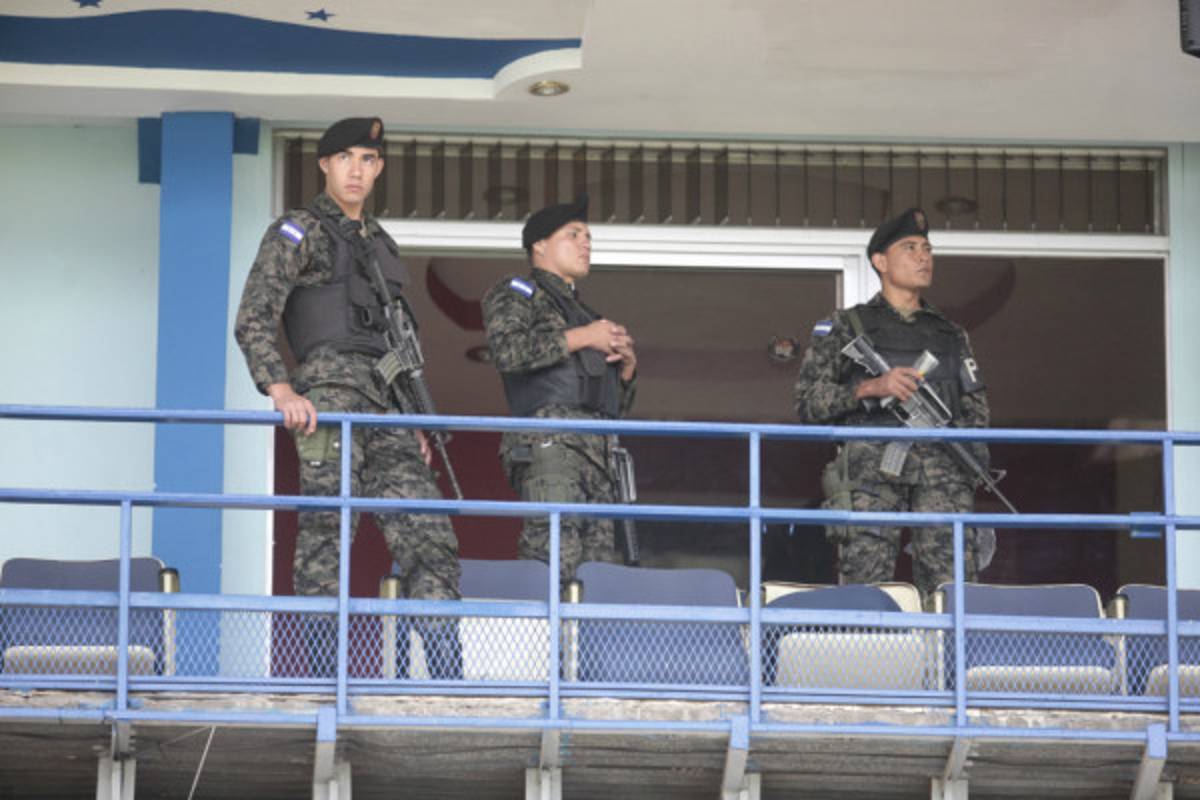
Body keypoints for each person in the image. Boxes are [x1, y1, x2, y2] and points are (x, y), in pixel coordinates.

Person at [235, 117, 461, 677]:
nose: (357, 169)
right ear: (325, 165)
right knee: (327, 535)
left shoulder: (380, 243)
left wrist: (411, 419)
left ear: (379, 167)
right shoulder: (299, 230)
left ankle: (448, 677)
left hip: (386, 406)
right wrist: (280, 387)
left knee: (429, 534)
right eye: (346, 158)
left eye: (368, 159)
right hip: (329, 400)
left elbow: (395, 342)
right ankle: (321, 681)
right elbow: (254, 315)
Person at [793, 208, 994, 601]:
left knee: (952, 595)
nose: (924, 257)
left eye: (927, 248)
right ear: (880, 262)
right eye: (910, 248)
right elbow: (806, 404)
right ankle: (867, 665)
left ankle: (946, 665)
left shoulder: (950, 334)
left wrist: (965, 458)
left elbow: (977, 413)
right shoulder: (845, 327)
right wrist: (870, 388)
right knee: (865, 594)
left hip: (942, 477)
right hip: (872, 477)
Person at [481, 194, 638, 584]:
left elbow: (611, 406)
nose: (586, 243)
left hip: (598, 457)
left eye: (588, 236)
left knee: (598, 573)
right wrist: (585, 337)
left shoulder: (586, 313)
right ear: (540, 245)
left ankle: (583, 649)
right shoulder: (518, 292)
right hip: (551, 446)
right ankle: (544, 646)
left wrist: (627, 371)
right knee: (553, 558)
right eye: (573, 234)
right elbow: (508, 352)